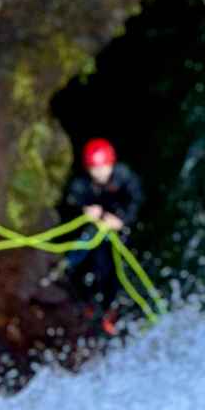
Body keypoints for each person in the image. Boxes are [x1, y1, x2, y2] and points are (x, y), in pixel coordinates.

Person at [60, 138, 143, 334]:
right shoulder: (82, 184)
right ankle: (88, 302)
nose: (99, 173)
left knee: (116, 270)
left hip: (119, 229)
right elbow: (69, 202)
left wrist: (121, 220)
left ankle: (112, 309)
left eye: (103, 167)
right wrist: (84, 210)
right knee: (81, 263)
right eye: (94, 169)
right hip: (94, 231)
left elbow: (137, 201)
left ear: (111, 164)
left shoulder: (124, 177)